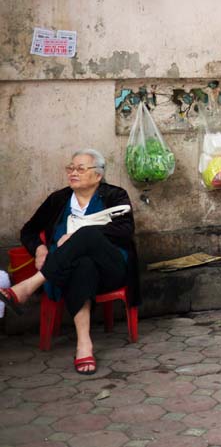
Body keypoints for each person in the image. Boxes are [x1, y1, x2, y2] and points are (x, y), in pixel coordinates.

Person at [0, 150, 140, 375]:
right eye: (71, 168)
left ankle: (29, 285)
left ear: (97, 175)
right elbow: (29, 230)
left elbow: (126, 230)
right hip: (69, 271)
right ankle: (84, 345)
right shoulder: (59, 199)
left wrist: (80, 235)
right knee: (82, 267)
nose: (73, 173)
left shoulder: (115, 195)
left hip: (111, 268)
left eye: (81, 169)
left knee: (85, 234)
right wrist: (40, 248)